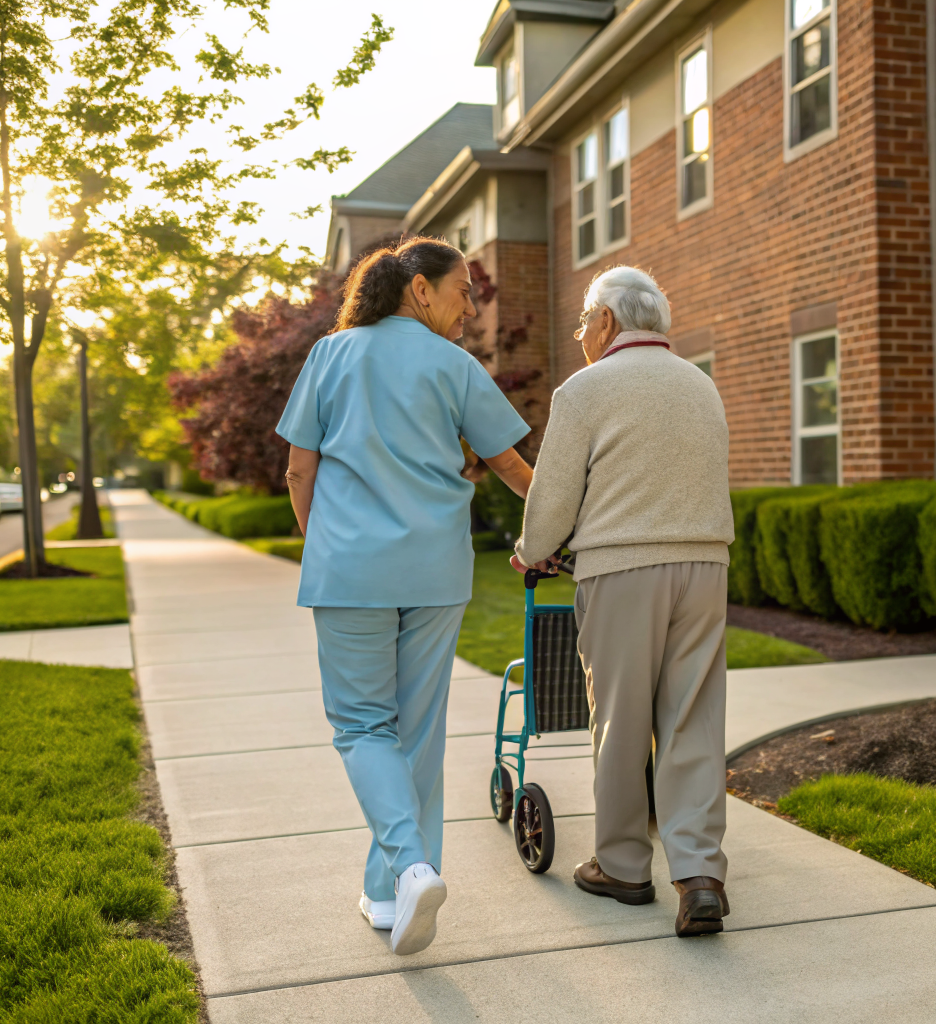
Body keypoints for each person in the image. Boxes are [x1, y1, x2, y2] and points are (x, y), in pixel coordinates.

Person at [277, 237, 533, 955]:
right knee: (415, 735)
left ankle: (411, 869)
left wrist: (316, 536)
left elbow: (301, 469)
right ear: (419, 289)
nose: (468, 309)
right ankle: (390, 894)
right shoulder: (455, 366)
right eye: (461, 292)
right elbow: (510, 466)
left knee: (362, 727)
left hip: (350, 571)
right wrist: (560, 525)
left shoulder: (331, 354)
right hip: (433, 573)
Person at [511, 265, 735, 937]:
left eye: (584, 321)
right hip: (704, 564)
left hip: (621, 569)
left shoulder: (586, 388)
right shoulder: (701, 385)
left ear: (606, 321)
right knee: (692, 718)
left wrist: (531, 550)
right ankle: (698, 874)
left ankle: (623, 865)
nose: (581, 333)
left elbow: (551, 500)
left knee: (619, 720)